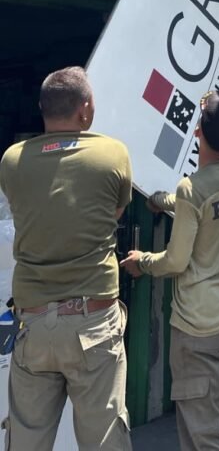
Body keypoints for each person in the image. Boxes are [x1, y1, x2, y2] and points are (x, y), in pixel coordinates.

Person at [0, 66, 133, 451]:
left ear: (42, 108)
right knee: (104, 439)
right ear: (85, 109)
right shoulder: (112, 154)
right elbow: (113, 213)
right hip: (93, 323)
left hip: (34, 324)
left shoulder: (12, 160)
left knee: (25, 439)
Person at [121, 91, 219, 451]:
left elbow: (176, 261)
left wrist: (142, 262)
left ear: (198, 133)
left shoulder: (192, 189)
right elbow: (201, 207)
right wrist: (161, 201)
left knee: (204, 435)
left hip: (200, 326)